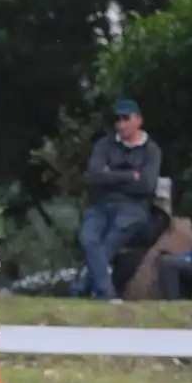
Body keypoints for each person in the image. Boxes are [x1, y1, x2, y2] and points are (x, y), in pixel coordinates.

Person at [76, 98, 163, 301]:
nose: (121, 124)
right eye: (117, 119)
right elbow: (94, 177)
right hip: (102, 204)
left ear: (138, 120)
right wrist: (128, 175)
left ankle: (95, 290)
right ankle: (97, 290)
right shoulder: (105, 145)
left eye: (126, 118)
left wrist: (111, 174)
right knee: (87, 237)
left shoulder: (151, 150)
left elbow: (146, 186)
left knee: (113, 238)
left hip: (133, 207)